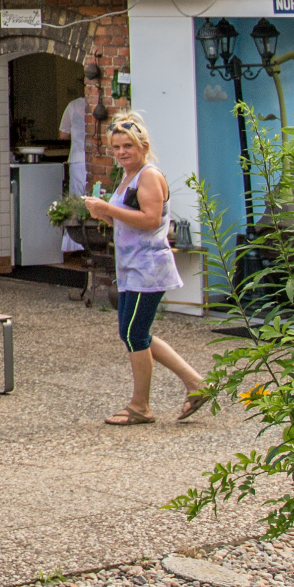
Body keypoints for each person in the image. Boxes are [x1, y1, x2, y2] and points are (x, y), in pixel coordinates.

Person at [85, 110, 209, 425]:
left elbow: (152, 221)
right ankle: (196, 384)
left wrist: (108, 208)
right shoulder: (128, 176)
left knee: (134, 333)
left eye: (128, 145)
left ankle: (141, 406)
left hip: (148, 266)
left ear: (143, 145)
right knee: (134, 333)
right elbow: (131, 220)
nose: (122, 152)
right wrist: (106, 216)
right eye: (116, 147)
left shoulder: (149, 175)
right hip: (132, 267)